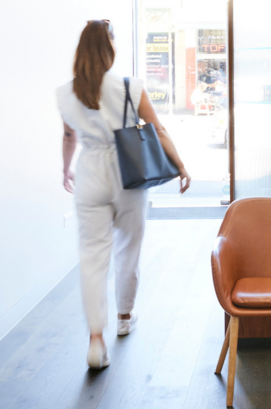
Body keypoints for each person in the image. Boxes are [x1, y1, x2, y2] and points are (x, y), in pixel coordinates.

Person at [56, 20, 191, 369]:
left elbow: (70, 137)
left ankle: (95, 341)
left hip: (89, 173)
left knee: (92, 257)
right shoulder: (130, 87)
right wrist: (181, 165)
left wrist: (65, 168)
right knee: (128, 248)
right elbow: (157, 130)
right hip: (128, 174)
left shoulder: (65, 93)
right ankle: (124, 316)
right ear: (110, 50)